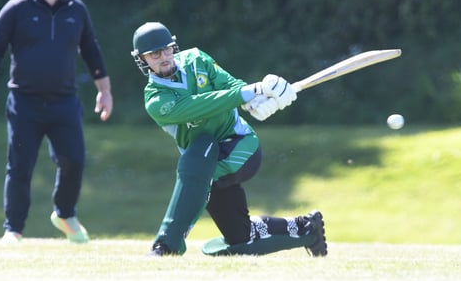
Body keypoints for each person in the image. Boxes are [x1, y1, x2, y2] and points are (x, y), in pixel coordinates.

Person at [130, 21, 327, 257]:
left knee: (200, 178)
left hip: (240, 145)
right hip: (202, 162)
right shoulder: (156, 99)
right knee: (239, 239)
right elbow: (202, 105)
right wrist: (251, 91)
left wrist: (256, 101)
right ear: (142, 59)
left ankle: (166, 246)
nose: (163, 57)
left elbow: (230, 84)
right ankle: (306, 228)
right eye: (154, 54)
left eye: (167, 49)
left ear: (174, 46)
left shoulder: (196, 59)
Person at [0, 0, 113, 243]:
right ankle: (13, 229)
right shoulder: (17, 8)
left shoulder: (77, 9)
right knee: (20, 165)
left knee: (74, 159)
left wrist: (105, 91)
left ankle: (65, 214)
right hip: (24, 102)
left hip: (64, 101)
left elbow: (91, 50)